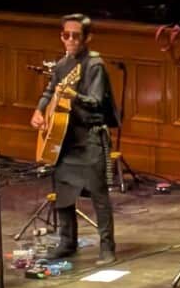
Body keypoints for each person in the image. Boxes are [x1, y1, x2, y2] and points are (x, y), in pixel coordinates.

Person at [30, 14, 119, 265]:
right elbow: (50, 91)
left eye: (75, 35)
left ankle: (107, 247)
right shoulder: (62, 65)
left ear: (87, 38)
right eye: (65, 35)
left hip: (91, 137)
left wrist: (74, 95)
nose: (69, 40)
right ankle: (67, 242)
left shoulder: (94, 65)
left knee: (99, 193)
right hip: (67, 138)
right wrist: (39, 110)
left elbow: (97, 101)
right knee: (63, 192)